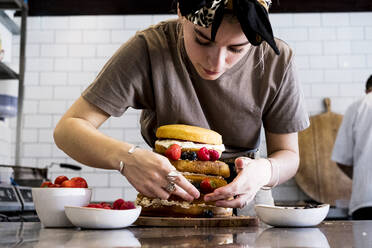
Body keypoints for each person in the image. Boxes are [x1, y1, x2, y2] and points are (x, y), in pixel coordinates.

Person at [54, 0, 309, 209]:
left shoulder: (277, 60)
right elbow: (68, 129)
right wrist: (126, 158)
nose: (216, 63)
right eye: (202, 40)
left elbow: (288, 155)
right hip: (168, 196)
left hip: (246, 200)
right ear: (180, 11)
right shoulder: (149, 48)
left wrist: (265, 170)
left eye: (236, 49)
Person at [332, 75, 372, 220]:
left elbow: (341, 159)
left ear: (367, 90)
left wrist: (363, 178)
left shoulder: (358, 107)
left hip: (366, 200)